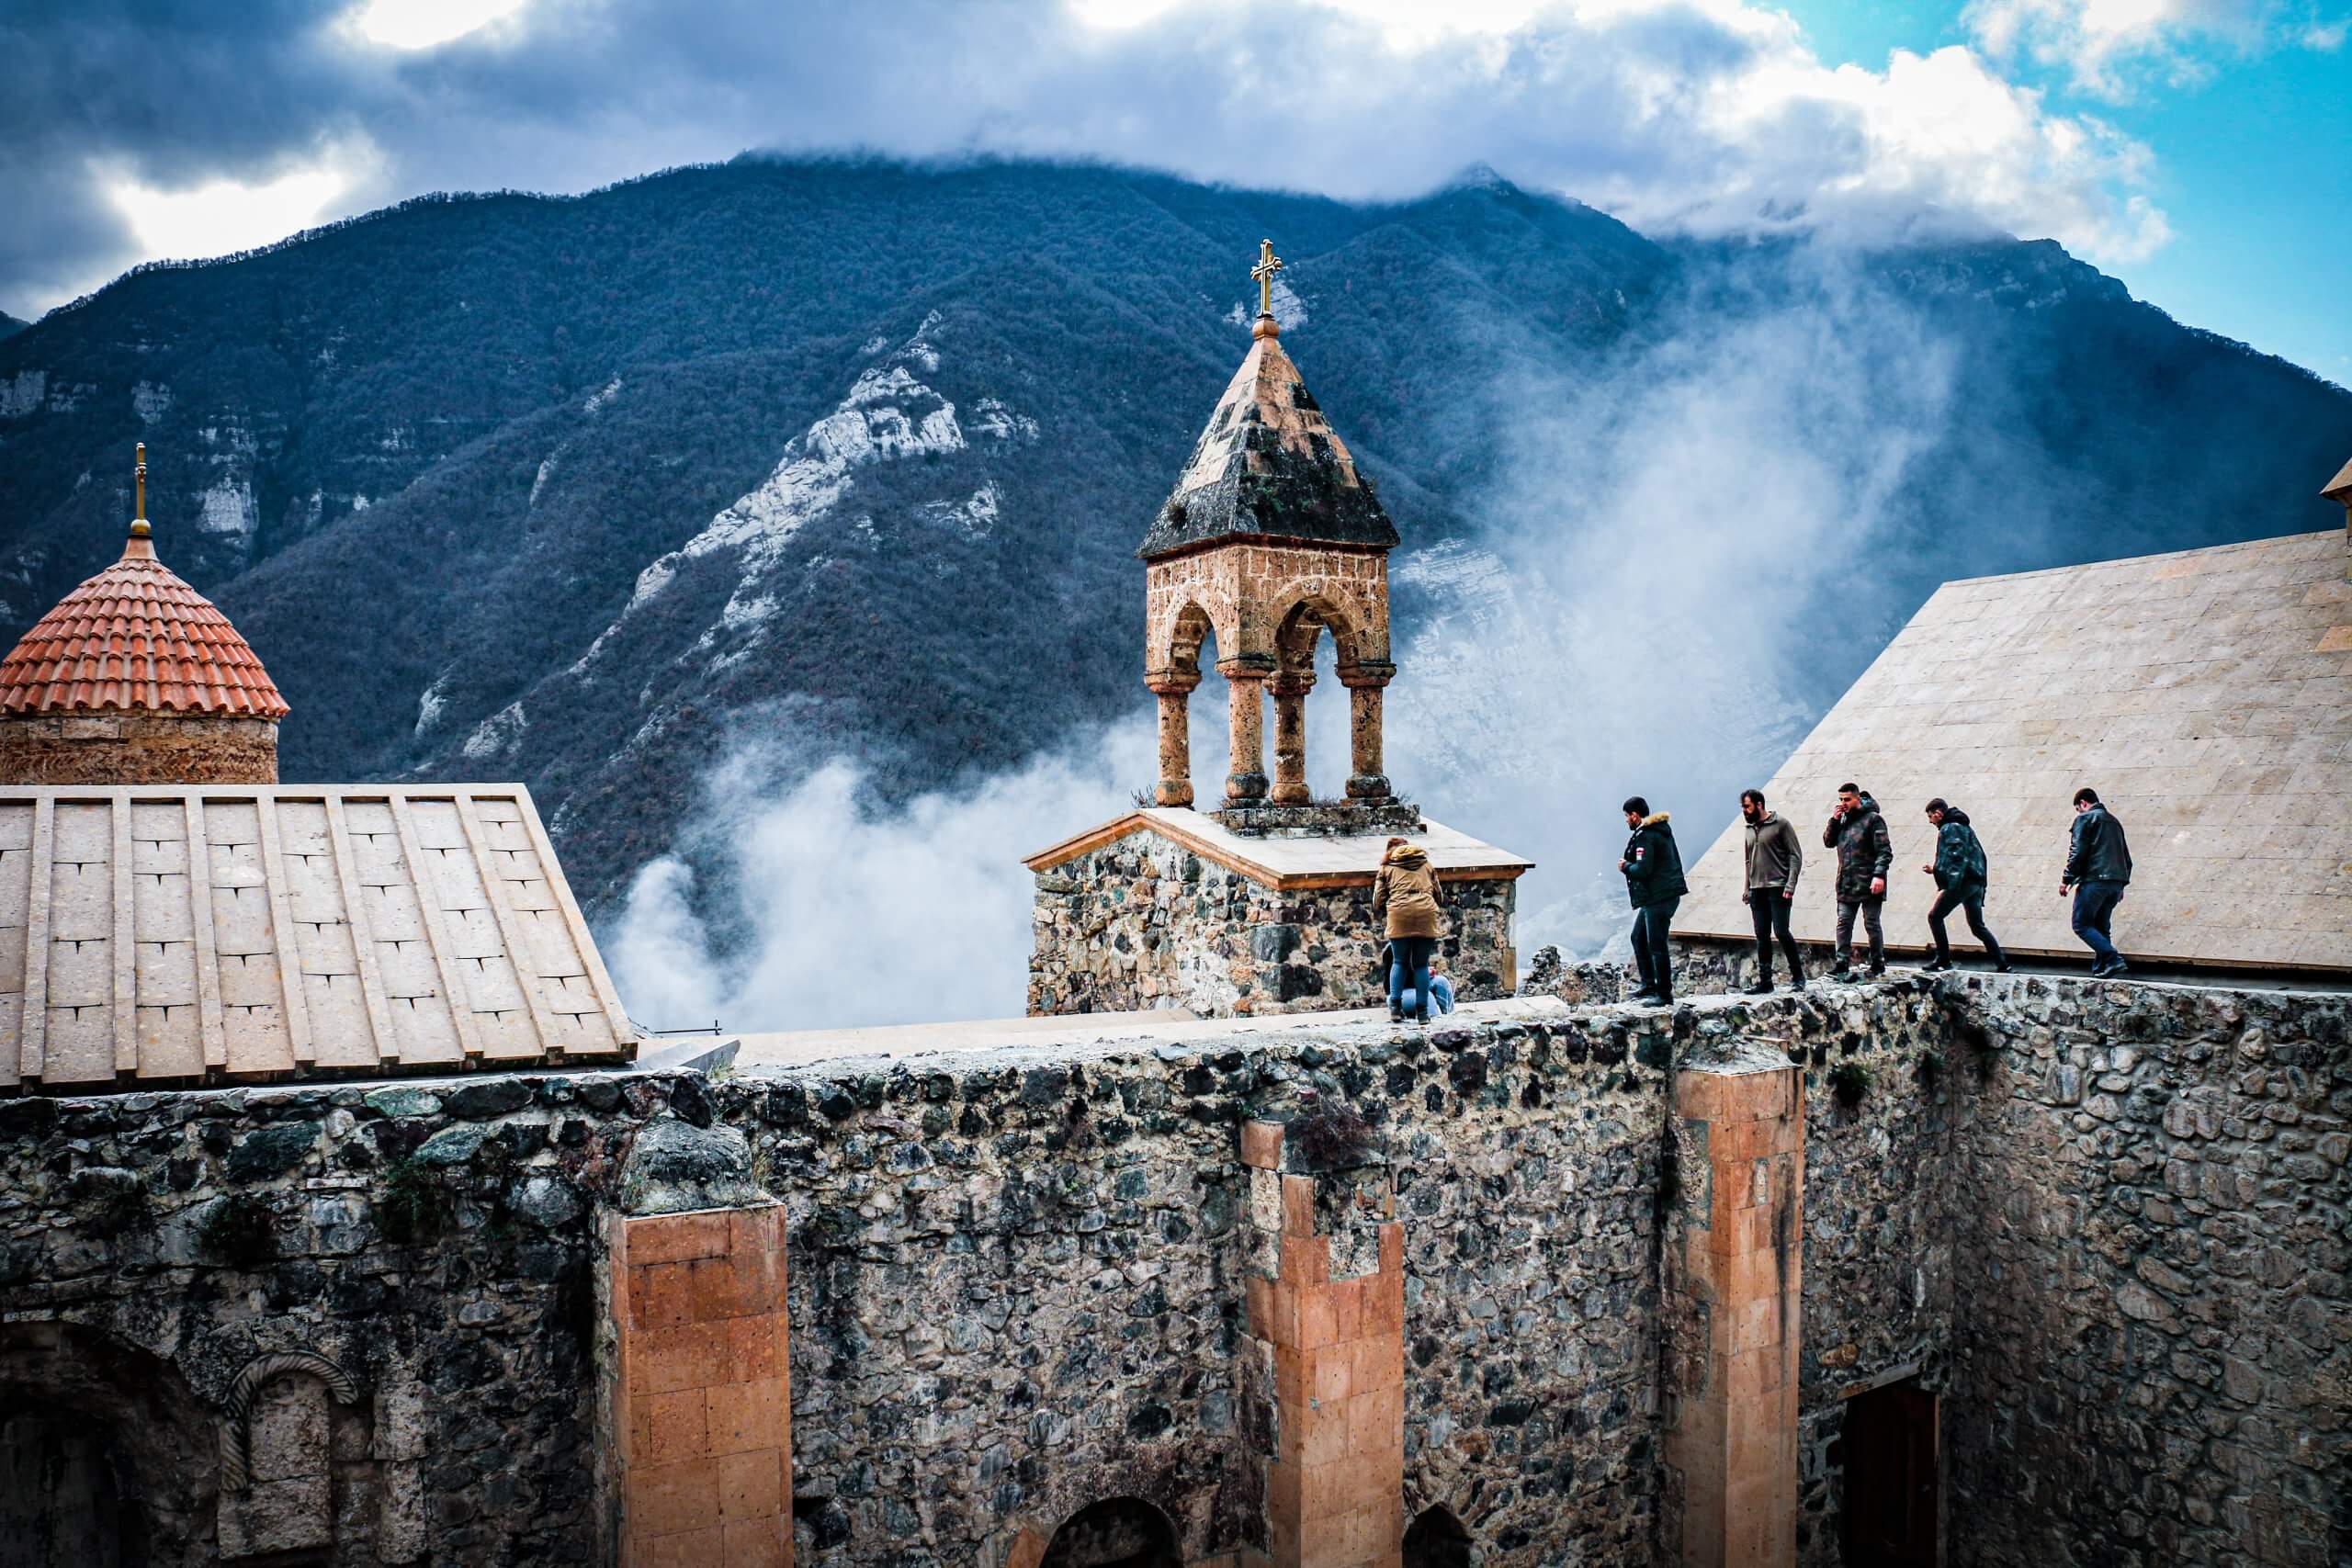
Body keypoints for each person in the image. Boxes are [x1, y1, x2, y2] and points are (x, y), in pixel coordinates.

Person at [1919, 798, 2009, 974]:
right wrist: (1937, 869)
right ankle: (2003, 964)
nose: (1930, 821)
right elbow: (1977, 856)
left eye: (1931, 817)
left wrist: (1947, 882)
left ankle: (1943, 960)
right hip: (1975, 882)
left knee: (1934, 916)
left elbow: (1956, 856)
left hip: (1962, 882)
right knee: (1977, 926)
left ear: (1938, 814)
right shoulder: (1964, 826)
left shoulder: (1950, 827)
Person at [1618, 796, 1688, 1006]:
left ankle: (1664, 994)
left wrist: (1626, 866)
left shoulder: (1646, 836)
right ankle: (1649, 984)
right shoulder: (1659, 830)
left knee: (1656, 944)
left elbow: (1643, 869)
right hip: (1659, 895)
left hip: (1660, 896)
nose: (1626, 821)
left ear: (1634, 815)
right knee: (1638, 937)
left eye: (1626, 816)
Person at [1738, 788, 1804, 995]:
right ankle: (1765, 981)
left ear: (1759, 804)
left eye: (1747, 806)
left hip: (1778, 888)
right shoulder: (1749, 829)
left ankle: (1798, 977)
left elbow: (1795, 855)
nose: (1744, 811)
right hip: (1757, 889)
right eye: (1742, 807)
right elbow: (1748, 860)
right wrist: (1746, 888)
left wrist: (1790, 885)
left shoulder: (1781, 824)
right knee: (1761, 936)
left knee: (1782, 932)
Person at [2061, 787, 2132, 976]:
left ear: (2083, 803)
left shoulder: (2085, 819)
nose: (2079, 812)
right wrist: (2121, 884)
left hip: (2095, 881)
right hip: (2115, 882)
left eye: (2078, 808)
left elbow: (2077, 852)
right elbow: (2126, 857)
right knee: (2101, 926)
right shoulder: (2114, 822)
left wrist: (2066, 879)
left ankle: (2113, 958)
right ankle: (2102, 969)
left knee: (2081, 924)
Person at [1823, 784, 1891, 980]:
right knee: (1843, 922)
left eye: (1847, 799)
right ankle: (1841, 963)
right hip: (1846, 882)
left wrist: (1878, 875)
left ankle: (1878, 963)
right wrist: (1833, 821)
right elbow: (1828, 842)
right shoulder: (1841, 819)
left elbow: (1885, 851)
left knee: (1871, 923)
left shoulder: (1873, 820)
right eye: (1841, 800)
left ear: (1858, 798)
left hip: (1869, 882)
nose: (1843, 803)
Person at [1374, 837, 1444, 1023]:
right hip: (1426, 915)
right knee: (1421, 964)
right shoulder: (1426, 865)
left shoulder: (1386, 868)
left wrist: (1393, 903)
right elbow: (1439, 895)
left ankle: (1396, 1009)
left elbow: (1377, 901)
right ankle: (1422, 1014)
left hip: (1399, 915)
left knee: (1399, 962)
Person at [1397, 953, 1457, 1020]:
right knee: (1427, 997)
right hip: (1400, 993)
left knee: (1441, 981)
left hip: (1417, 984)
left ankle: (1450, 1018)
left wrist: (1425, 971)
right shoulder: (1397, 947)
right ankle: (1434, 1023)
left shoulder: (1418, 946)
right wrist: (1422, 974)